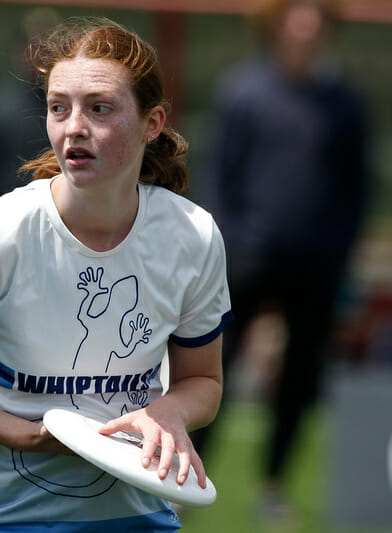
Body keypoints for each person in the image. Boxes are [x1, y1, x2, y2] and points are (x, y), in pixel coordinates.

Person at [0, 18, 232, 532]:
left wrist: (170, 412)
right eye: (58, 107)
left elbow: (203, 381)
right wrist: (25, 434)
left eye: (99, 108)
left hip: (138, 518)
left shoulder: (192, 237)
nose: (74, 127)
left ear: (153, 123)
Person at [192, 0, 368, 524]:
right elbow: (218, 178)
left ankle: (273, 487)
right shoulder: (241, 92)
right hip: (244, 262)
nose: (307, 23)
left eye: (317, 14)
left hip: (316, 267)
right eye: (297, 11)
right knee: (211, 372)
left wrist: (339, 252)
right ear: (276, 21)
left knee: (300, 380)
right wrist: (231, 244)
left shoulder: (346, 104)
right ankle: (186, 477)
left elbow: (354, 191)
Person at [0, 8, 58, 213]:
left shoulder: (71, 109)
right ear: (19, 50)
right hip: (6, 221)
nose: (39, 55)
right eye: (32, 46)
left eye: (46, 47)